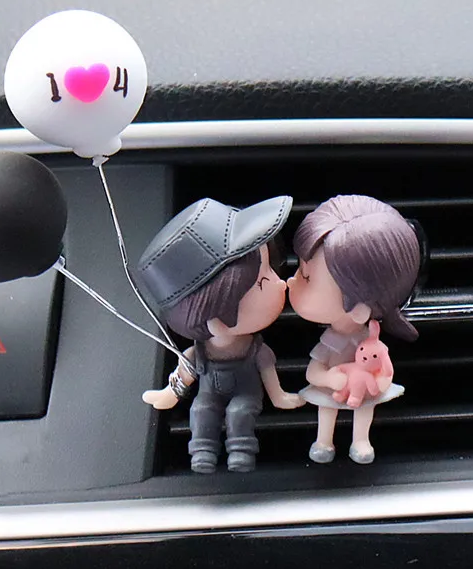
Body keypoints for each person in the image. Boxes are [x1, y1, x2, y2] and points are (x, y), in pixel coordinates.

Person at [137, 196, 304, 473]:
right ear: (217, 308)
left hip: (246, 395)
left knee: (240, 412)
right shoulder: (199, 352)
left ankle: (241, 451)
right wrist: (170, 393)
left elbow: (268, 376)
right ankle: (202, 451)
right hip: (209, 394)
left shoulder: (255, 349)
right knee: (200, 410)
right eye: (263, 280)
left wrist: (279, 397)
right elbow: (185, 376)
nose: (281, 283)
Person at [288, 195, 421, 465]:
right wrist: (328, 379)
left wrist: (380, 383)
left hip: (364, 389)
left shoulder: (371, 343)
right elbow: (312, 372)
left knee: (364, 409)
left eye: (307, 277)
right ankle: (324, 440)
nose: (290, 281)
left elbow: (385, 369)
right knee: (326, 409)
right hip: (333, 388)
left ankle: (360, 440)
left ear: (358, 309)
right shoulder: (331, 342)